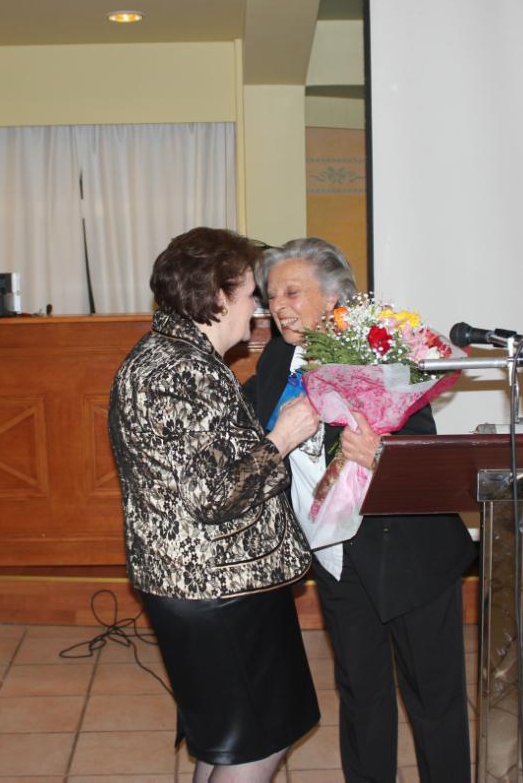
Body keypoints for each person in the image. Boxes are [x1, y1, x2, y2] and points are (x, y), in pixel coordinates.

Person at [246, 237, 475, 783]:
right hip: (334, 557)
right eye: (271, 296)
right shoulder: (277, 357)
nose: (278, 306)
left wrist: (380, 455)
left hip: (408, 555)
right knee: (361, 695)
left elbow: (422, 446)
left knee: (433, 699)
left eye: (292, 292)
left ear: (333, 298)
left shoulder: (377, 350)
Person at [107, 226, 322, 782]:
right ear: (218, 296)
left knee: (229, 744)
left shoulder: (172, 355)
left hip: (207, 584)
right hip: (218, 588)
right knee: (255, 747)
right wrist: (283, 437)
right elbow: (214, 493)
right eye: (251, 294)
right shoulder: (181, 370)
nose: (259, 309)